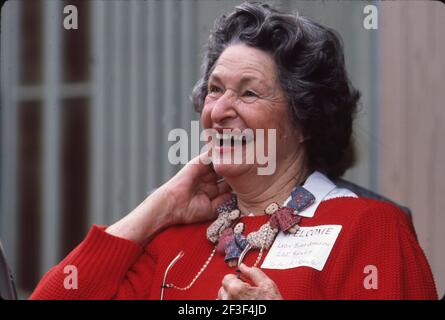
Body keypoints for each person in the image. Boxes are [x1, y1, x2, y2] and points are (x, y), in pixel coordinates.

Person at [31, 2, 437, 300]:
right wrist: (159, 206)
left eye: (249, 93)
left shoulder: (371, 230)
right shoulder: (174, 241)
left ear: (304, 121)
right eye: (215, 89)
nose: (221, 110)